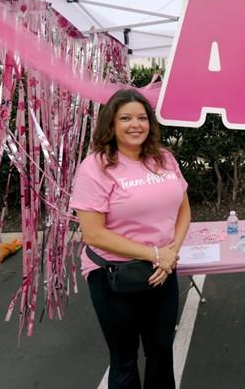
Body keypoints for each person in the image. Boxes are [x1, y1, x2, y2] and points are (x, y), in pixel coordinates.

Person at [70, 89, 191, 389]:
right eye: (125, 118)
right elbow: (93, 233)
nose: (135, 124)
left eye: (141, 117)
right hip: (114, 276)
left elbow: (184, 211)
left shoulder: (164, 158)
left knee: (161, 352)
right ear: (111, 124)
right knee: (124, 359)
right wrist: (155, 253)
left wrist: (170, 253)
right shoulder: (95, 167)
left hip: (162, 270)